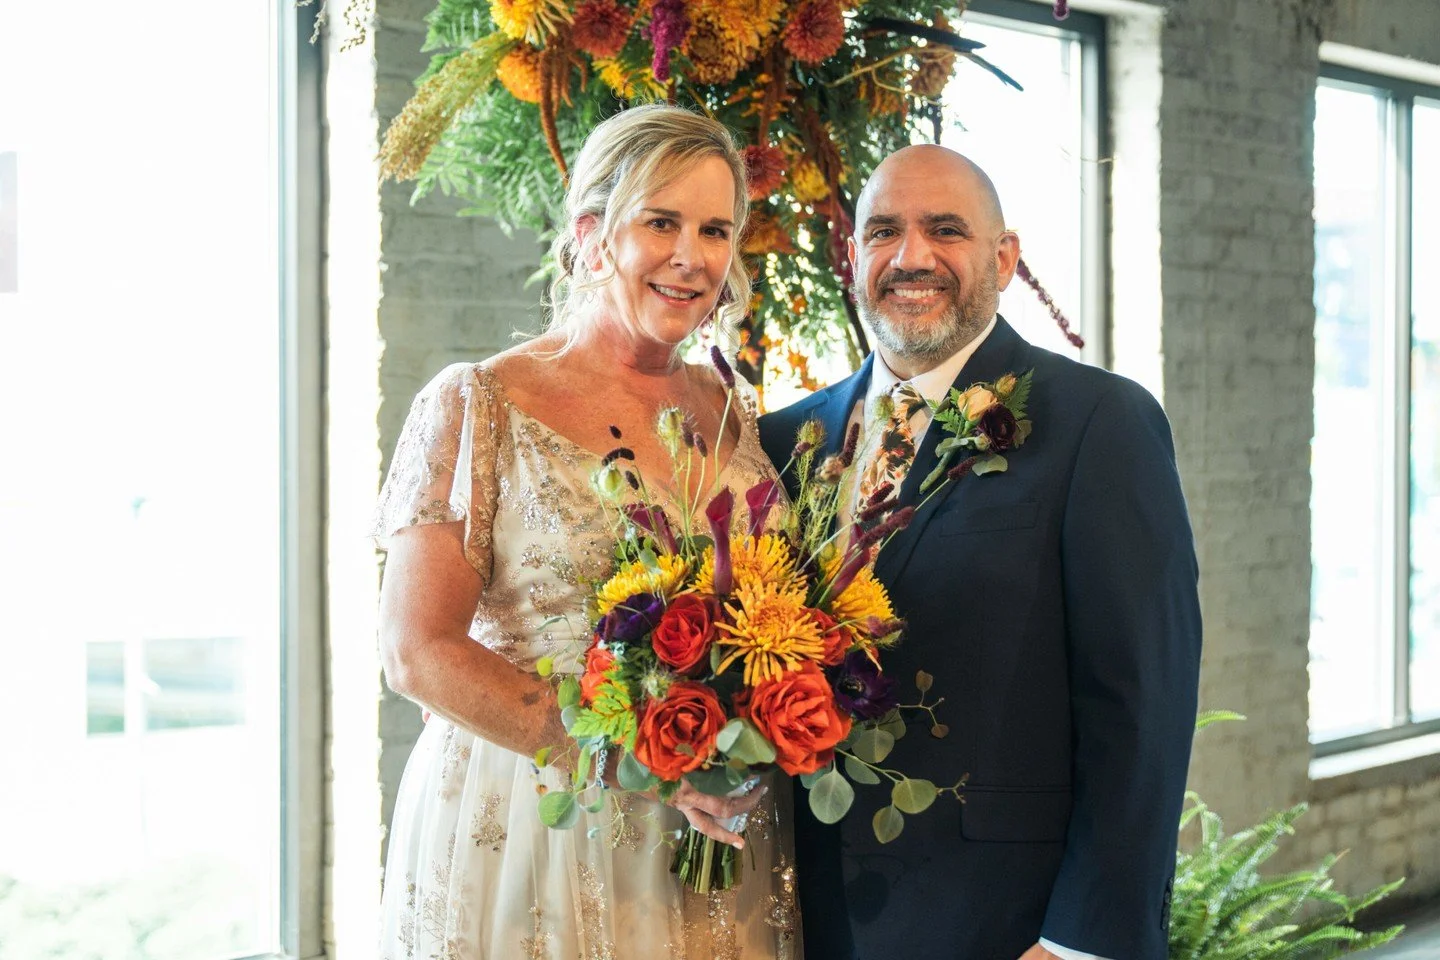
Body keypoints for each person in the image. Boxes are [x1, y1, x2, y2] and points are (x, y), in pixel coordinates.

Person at [374, 104, 799, 960]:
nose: (693, 256)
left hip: (718, 839)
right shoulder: (479, 402)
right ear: (593, 235)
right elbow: (416, 651)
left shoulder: (730, 413)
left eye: (716, 230)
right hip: (540, 826)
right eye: (662, 221)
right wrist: (630, 763)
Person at [759, 144, 1202, 960]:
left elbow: (1140, 697)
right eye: (884, 230)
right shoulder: (781, 440)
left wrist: (1083, 942)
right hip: (801, 915)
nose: (912, 256)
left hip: (1005, 925)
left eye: (946, 230)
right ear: (852, 256)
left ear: (1004, 258)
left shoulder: (1100, 423)